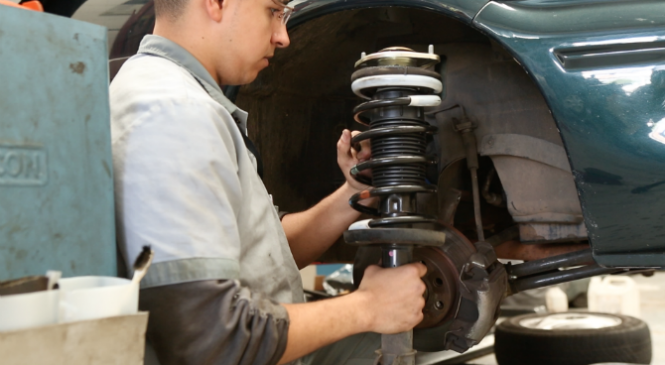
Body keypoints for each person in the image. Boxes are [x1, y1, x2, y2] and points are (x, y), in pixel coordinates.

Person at [109, 0, 427, 363]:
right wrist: (368, 306)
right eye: (273, 11)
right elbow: (213, 340)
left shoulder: (177, 98)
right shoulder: (173, 113)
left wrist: (355, 193)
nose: (283, 37)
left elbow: (262, 252)